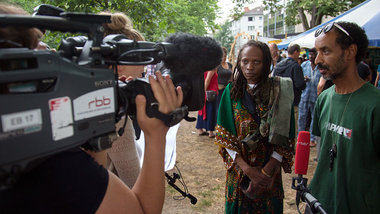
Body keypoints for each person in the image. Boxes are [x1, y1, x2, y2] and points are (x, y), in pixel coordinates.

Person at [0, 3, 184, 213]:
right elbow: (141, 207)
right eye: (139, 58)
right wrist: (157, 134)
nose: (144, 68)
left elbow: (92, 180)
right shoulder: (54, 164)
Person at [215, 40, 295, 213]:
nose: (249, 67)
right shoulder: (231, 92)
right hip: (239, 174)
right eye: (245, 61)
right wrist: (249, 171)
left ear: (266, 63)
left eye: (256, 62)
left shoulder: (280, 92)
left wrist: (265, 173)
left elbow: (286, 138)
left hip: (270, 175)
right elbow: (224, 137)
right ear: (239, 63)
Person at [309, 21, 380, 214]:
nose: (317, 60)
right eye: (317, 52)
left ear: (350, 52)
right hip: (319, 203)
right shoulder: (324, 98)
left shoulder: (375, 104)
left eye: (326, 51)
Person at [273, 43, 306, 132]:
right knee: (292, 129)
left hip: (279, 101)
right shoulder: (296, 66)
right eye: (299, 53)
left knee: (280, 129)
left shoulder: (279, 65)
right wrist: (304, 81)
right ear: (295, 52)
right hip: (292, 102)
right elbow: (299, 84)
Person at [298, 48, 321, 147]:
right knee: (302, 116)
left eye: (313, 54)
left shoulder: (320, 67)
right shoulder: (304, 65)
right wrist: (304, 79)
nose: (311, 56)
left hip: (315, 96)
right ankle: (300, 136)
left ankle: (312, 138)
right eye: (310, 54)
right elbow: (299, 79)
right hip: (305, 95)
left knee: (314, 117)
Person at [196, 67, 218, 138]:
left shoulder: (204, 68)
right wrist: (203, 92)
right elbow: (207, 80)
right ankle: (210, 132)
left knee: (202, 110)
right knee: (210, 111)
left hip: (206, 92)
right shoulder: (212, 68)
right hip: (210, 92)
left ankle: (200, 129)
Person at [216, 47, 233, 112]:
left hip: (228, 90)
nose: (224, 57)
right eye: (223, 56)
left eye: (225, 56)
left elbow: (232, 76)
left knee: (228, 108)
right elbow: (213, 78)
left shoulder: (229, 65)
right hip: (219, 90)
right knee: (219, 109)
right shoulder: (217, 65)